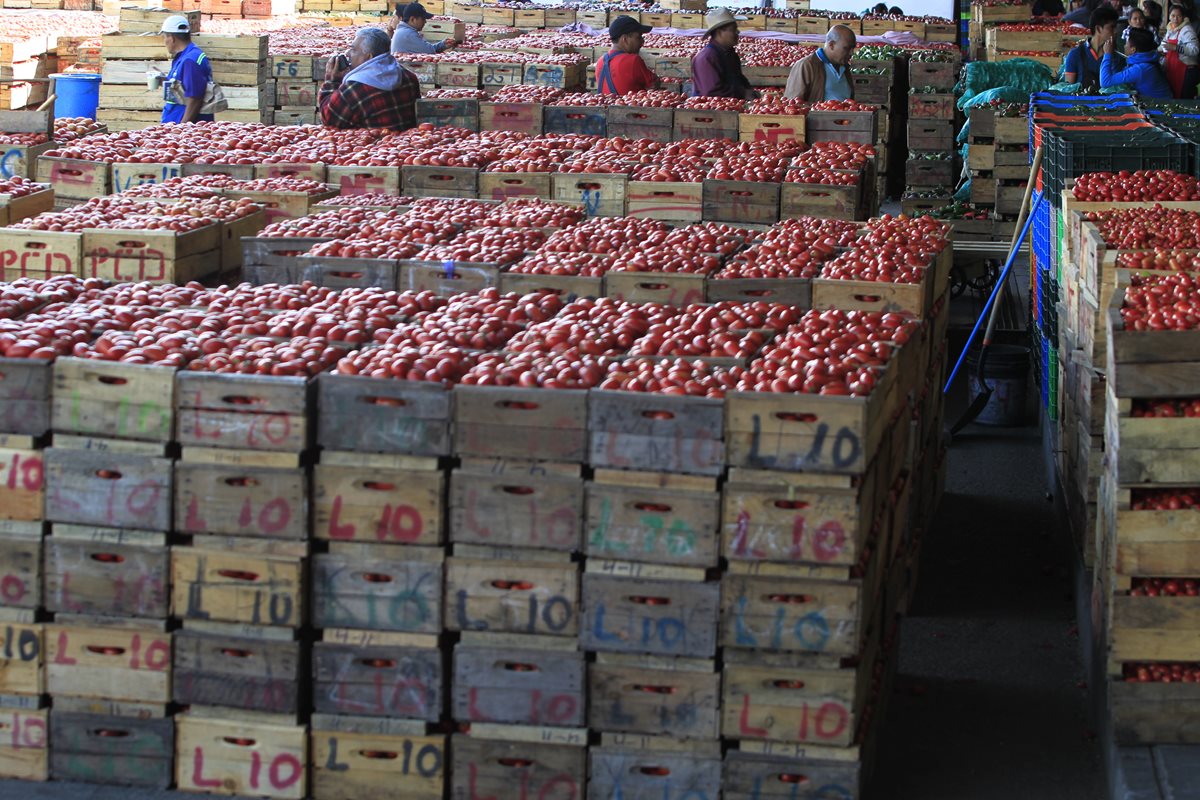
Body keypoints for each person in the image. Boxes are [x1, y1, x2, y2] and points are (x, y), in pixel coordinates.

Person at [320, 28, 421, 130]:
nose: (348, 53)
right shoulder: (409, 77)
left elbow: (329, 119)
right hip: (403, 143)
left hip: (369, 143)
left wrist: (331, 80)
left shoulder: (354, 89)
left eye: (353, 49)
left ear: (369, 57)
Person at [158, 15, 213, 125]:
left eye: (165, 37)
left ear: (172, 38)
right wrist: (164, 80)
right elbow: (184, 87)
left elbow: (195, 98)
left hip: (183, 128)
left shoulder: (190, 61)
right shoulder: (186, 56)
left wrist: (183, 128)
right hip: (175, 125)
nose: (164, 41)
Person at [691, 9, 756, 99]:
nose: (738, 32)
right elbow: (711, 91)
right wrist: (743, 93)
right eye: (733, 29)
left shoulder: (731, 54)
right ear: (719, 33)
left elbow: (739, 78)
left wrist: (749, 90)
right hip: (711, 110)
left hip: (731, 107)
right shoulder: (707, 57)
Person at [784, 25, 857, 101]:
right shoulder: (806, 65)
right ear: (831, 45)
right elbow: (792, 103)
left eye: (853, 48)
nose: (851, 53)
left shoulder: (845, 68)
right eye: (847, 48)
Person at [1103, 26, 1173, 94]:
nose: (1124, 46)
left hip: (1161, 104)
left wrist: (1107, 55)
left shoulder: (1141, 69)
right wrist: (1113, 57)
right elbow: (1116, 76)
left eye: (1126, 43)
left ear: (1133, 49)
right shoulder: (1145, 60)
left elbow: (1105, 82)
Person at [596, 15, 657, 95]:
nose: (642, 42)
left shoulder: (601, 61)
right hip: (629, 107)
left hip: (605, 106)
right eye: (638, 37)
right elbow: (653, 84)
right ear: (625, 39)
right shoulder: (633, 60)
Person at [1063, 6, 1119, 88]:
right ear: (1098, 29)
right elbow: (1067, 89)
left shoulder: (1116, 56)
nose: (1116, 31)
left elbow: (1117, 88)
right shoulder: (1076, 54)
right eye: (1112, 27)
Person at [1160, 3, 1199, 95]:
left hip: (1186, 71)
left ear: (1183, 17)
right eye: (1173, 15)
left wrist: (1175, 47)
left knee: (1184, 100)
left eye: (1179, 16)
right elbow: (1164, 43)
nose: (1175, 19)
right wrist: (1160, 49)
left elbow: (1195, 49)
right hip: (1173, 70)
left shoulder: (1187, 30)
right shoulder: (1171, 28)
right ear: (1169, 16)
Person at [391, 2, 457, 55]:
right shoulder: (408, 34)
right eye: (423, 19)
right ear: (413, 19)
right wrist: (442, 46)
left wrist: (443, 44)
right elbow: (429, 51)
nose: (425, 22)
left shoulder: (404, 30)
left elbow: (428, 48)